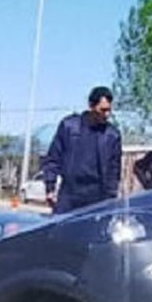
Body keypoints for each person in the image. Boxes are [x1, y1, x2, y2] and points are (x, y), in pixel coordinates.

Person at [40, 85, 122, 213]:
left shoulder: (112, 135)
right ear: (91, 105)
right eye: (103, 110)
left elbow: (114, 170)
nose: (107, 115)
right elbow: (53, 158)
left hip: (97, 198)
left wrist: (111, 198)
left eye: (109, 110)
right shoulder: (69, 127)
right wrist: (50, 187)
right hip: (69, 194)